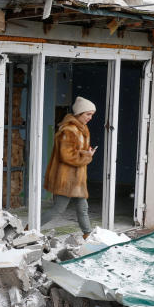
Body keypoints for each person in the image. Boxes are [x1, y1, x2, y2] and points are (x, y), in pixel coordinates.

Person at [41, 96, 97, 239]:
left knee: (83, 208)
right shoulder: (69, 130)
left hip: (77, 179)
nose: (90, 118)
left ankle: (87, 234)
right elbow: (67, 156)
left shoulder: (83, 129)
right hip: (66, 178)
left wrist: (86, 153)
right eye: (88, 114)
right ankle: (30, 227)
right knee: (57, 210)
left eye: (92, 115)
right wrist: (87, 155)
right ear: (79, 113)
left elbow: (75, 152)